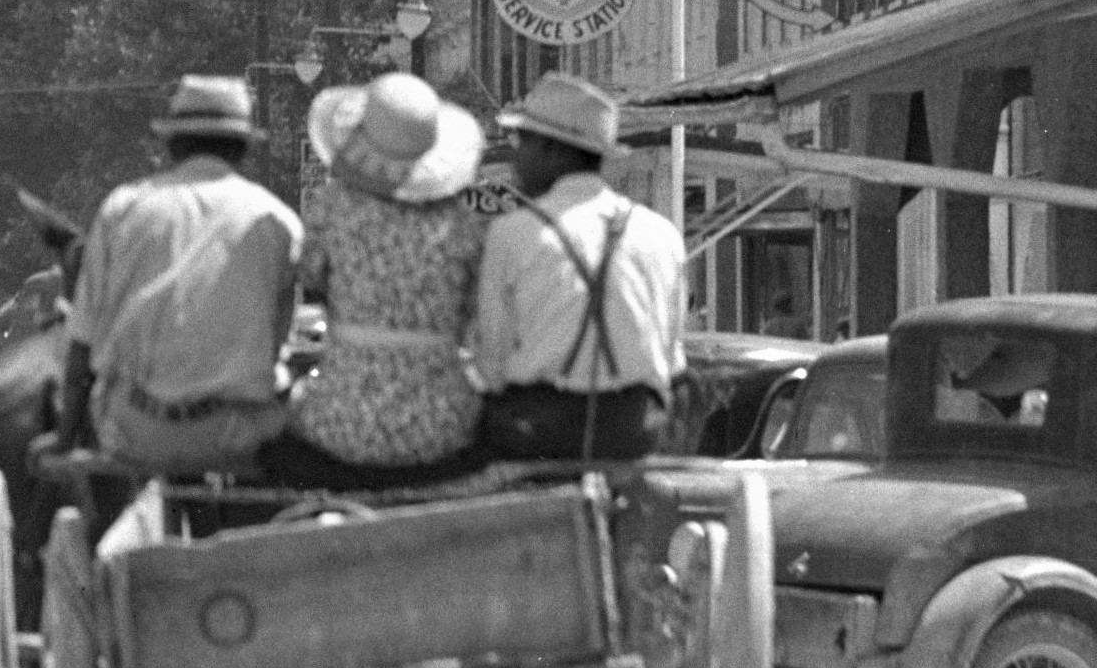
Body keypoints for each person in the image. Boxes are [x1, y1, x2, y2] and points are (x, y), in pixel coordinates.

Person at [62, 76, 303, 479]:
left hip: (136, 430)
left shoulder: (123, 208)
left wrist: (64, 439)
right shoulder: (279, 222)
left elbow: (82, 344)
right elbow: (276, 345)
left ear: (173, 143)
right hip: (232, 434)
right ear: (242, 147)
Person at [464, 71, 687, 462]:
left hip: (539, 434)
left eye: (524, 141)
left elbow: (492, 363)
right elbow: (670, 357)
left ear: (552, 149)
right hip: (635, 433)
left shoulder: (512, 233)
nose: (516, 156)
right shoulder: (662, 234)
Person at [287, 68, 488, 479]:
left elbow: (312, 279)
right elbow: (470, 310)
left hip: (343, 420)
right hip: (443, 424)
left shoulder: (332, 207)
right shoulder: (462, 223)